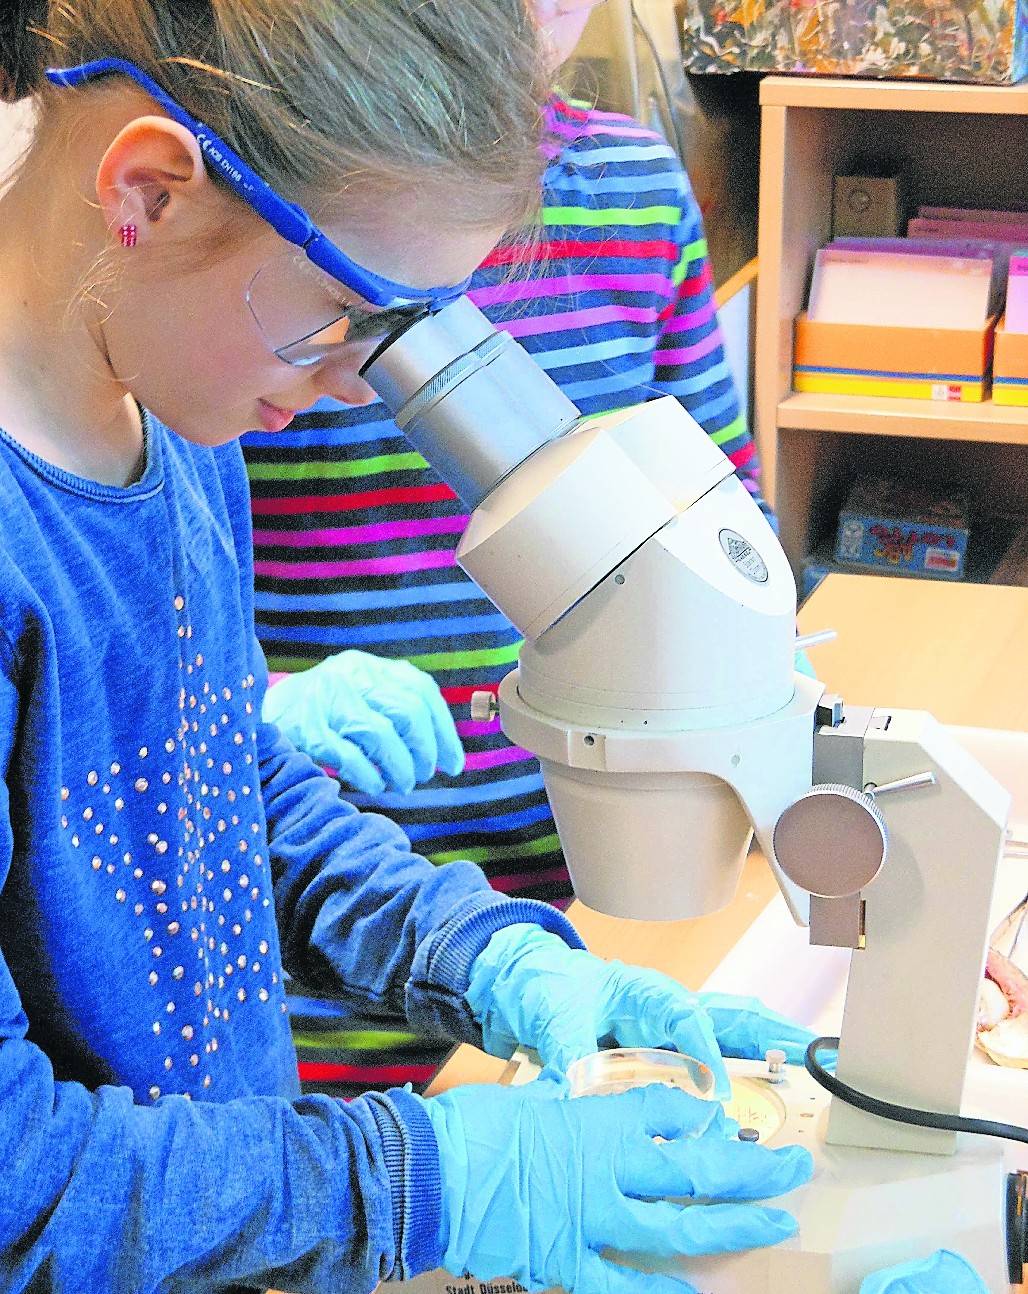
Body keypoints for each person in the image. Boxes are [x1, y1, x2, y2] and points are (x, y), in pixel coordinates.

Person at [0, 3, 815, 1291]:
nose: (361, 382)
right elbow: (17, 1180)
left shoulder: (164, 416)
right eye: (346, 315)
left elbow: (212, 786)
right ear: (146, 194)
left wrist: (474, 948)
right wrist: (424, 1173)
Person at [247, 0, 792, 1099]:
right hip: (327, 906)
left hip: (589, 890)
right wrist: (255, 703)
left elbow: (727, 524)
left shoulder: (635, 185)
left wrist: (850, 842)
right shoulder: (280, 218)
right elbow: (144, 615)